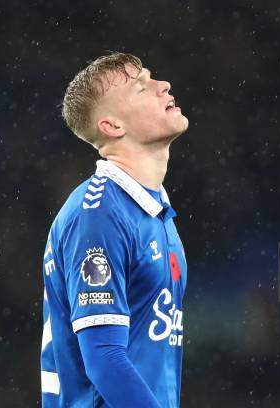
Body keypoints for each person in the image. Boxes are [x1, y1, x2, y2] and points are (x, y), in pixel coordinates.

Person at [40, 52, 189, 407]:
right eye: (141, 87)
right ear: (112, 126)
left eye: (152, 77)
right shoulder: (99, 215)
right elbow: (104, 360)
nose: (162, 86)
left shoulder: (152, 210)